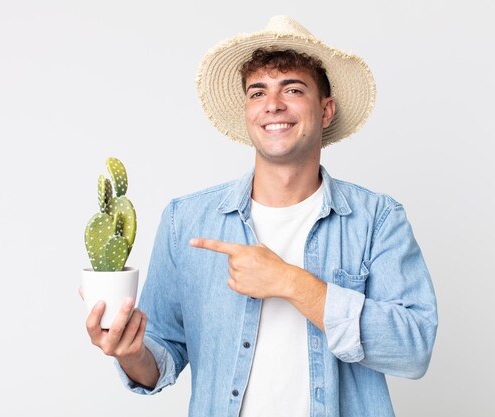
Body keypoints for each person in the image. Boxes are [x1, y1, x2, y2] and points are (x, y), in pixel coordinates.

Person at [84, 15, 438, 417]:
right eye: (258, 92)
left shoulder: (376, 220)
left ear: (325, 111)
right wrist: (129, 353)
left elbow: (414, 348)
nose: (273, 104)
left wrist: (290, 281)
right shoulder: (186, 220)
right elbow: (161, 357)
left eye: (292, 88)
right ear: (248, 113)